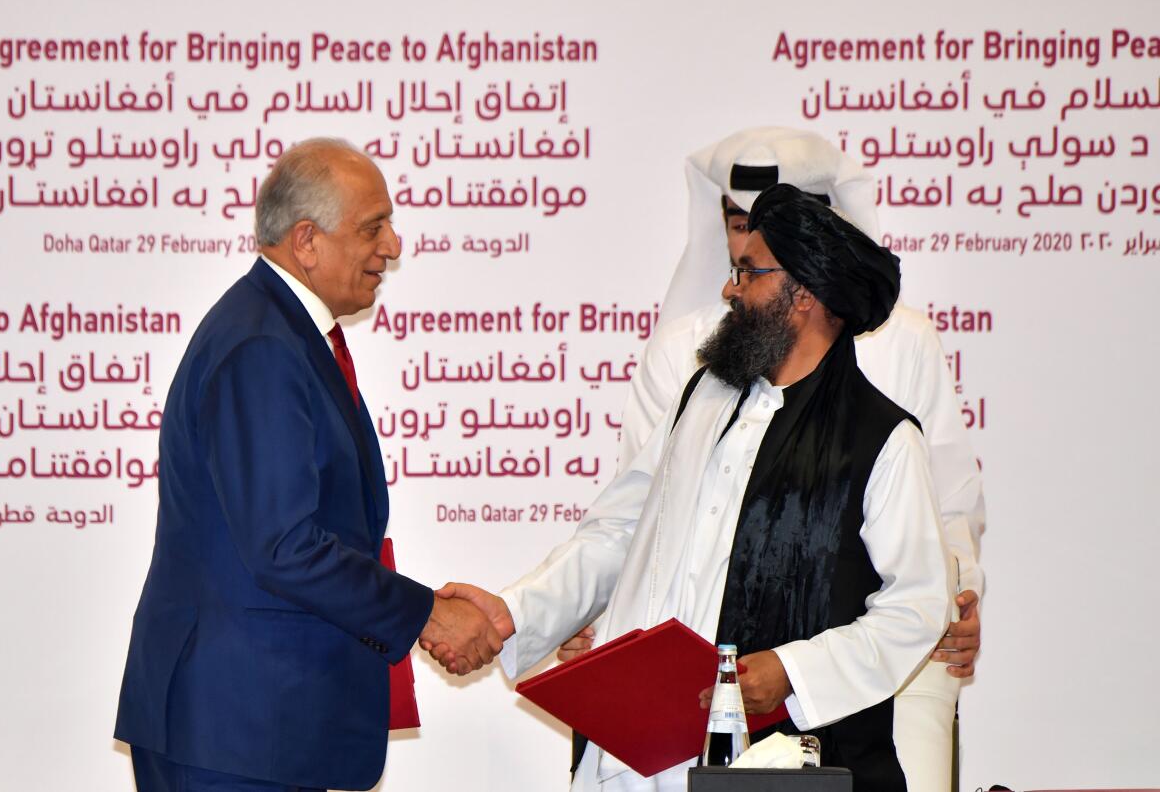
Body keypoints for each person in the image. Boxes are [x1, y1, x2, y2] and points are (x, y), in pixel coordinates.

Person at [432, 184, 952, 791]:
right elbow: (619, 533)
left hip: (778, 760)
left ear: (803, 295)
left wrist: (791, 670)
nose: (730, 289)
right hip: (641, 754)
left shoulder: (882, 439)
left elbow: (917, 606)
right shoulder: (703, 396)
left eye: (748, 273)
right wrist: (514, 613)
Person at [564, 128, 984, 792]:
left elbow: (945, 508)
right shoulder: (698, 361)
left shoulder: (902, 359)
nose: (738, 256)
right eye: (735, 222)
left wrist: (961, 597)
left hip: (851, 676)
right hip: (690, 680)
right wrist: (594, 618)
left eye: (757, 252)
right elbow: (642, 521)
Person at [114, 138, 502, 792]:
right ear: (307, 241)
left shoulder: (277, 330)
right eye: (372, 228)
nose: (393, 247)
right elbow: (284, 546)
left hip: (257, 727)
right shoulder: (262, 346)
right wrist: (426, 615)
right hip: (237, 732)